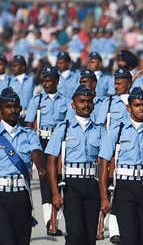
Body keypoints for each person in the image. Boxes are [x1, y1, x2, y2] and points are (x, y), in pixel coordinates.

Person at [45, 84, 105, 245]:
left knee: (90, 235)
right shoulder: (63, 128)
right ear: (73, 105)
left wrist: (105, 194)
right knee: (75, 232)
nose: (86, 105)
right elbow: (51, 161)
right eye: (82, 101)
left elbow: (105, 162)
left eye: (89, 101)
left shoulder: (100, 130)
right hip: (71, 185)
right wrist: (55, 192)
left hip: (93, 184)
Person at [98, 87, 143, 245]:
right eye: (137, 105)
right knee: (128, 237)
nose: (141, 108)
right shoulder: (117, 129)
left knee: (142, 237)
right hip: (124, 187)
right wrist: (104, 197)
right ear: (128, 108)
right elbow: (103, 163)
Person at [24, 65, 68, 235]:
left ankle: (55, 220)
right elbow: (29, 124)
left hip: (58, 141)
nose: (46, 83)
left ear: (56, 81)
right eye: (44, 80)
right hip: (41, 140)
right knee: (44, 180)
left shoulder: (65, 100)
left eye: (49, 80)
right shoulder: (37, 99)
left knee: (58, 179)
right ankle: (48, 220)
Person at [0, 87, 47, 245]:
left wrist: (41, 167)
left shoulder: (29, 134)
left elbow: (36, 152)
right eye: (8, 106)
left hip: (22, 196)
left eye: (16, 107)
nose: (13, 110)